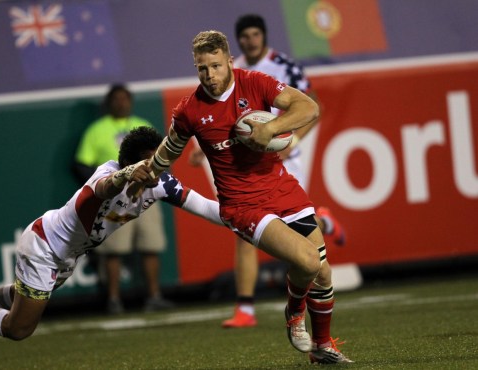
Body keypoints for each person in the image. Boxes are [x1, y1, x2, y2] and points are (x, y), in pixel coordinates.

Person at [135, 30, 351, 364]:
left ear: (229, 62)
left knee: (323, 274)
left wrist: (272, 128)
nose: (210, 75)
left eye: (216, 66)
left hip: (281, 187)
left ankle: (322, 347)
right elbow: (169, 150)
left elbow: (308, 107)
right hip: (242, 206)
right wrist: (145, 173)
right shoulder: (190, 110)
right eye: (202, 68)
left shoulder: (256, 83)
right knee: (308, 261)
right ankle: (294, 314)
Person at [0, 127, 224, 365]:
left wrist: (246, 217)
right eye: (150, 162)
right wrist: (126, 175)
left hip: (69, 257)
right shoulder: (105, 176)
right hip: (44, 246)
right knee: (19, 328)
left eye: (160, 160)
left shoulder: (160, 184)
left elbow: (207, 208)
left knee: (19, 295)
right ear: (130, 164)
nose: (158, 168)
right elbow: (99, 191)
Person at [216, 14, 346, 331]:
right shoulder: (233, 73)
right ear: (239, 41)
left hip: (285, 156)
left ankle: (321, 221)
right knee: (246, 234)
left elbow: (313, 106)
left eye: (255, 34)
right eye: (244, 36)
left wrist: (292, 139)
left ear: (264, 35)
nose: (251, 40)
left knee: (296, 236)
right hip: (250, 161)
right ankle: (245, 308)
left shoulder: (284, 66)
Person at [73, 84, 173, 314]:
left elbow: (161, 158)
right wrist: (104, 187)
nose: (121, 103)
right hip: (114, 197)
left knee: (151, 246)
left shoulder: (143, 125)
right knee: (113, 250)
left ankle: (154, 296)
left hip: (145, 194)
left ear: (131, 101)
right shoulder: (96, 129)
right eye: (116, 99)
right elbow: (81, 163)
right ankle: (114, 299)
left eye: (125, 99)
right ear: (109, 103)